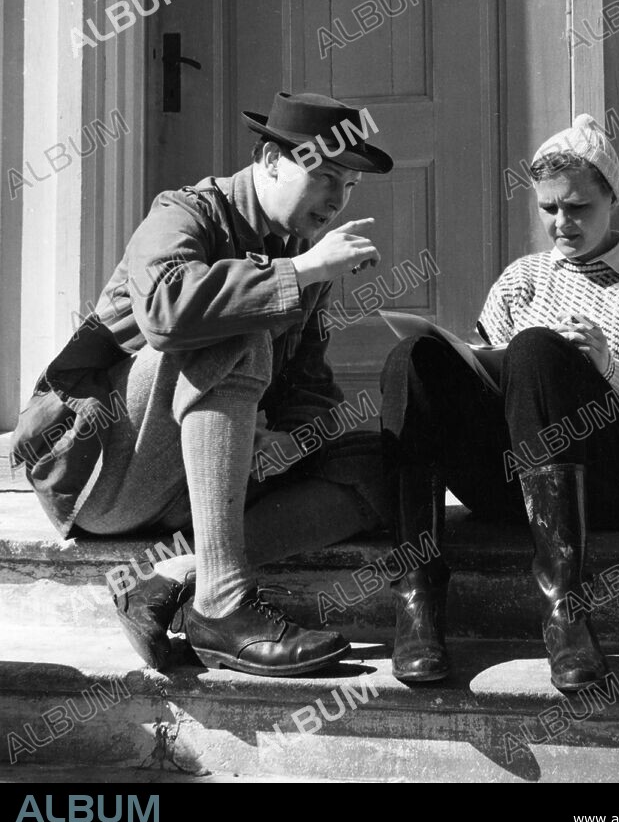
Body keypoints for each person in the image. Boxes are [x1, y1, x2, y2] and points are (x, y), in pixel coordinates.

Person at [11, 92, 394, 677]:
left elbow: (310, 387)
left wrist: (290, 441)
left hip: (197, 482)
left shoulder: (302, 256)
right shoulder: (184, 212)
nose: (336, 199)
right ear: (270, 161)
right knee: (234, 327)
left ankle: (174, 574)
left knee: (381, 462)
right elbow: (166, 314)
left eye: (349, 185)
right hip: (103, 469)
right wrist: (299, 272)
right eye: (323, 176)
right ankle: (223, 604)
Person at [380, 114, 619, 692]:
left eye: (577, 207)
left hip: (611, 483)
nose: (561, 223)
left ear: (612, 198)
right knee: (413, 358)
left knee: (536, 348)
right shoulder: (520, 279)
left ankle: (566, 612)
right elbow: (487, 379)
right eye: (549, 208)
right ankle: (417, 597)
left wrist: (607, 367)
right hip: (513, 484)